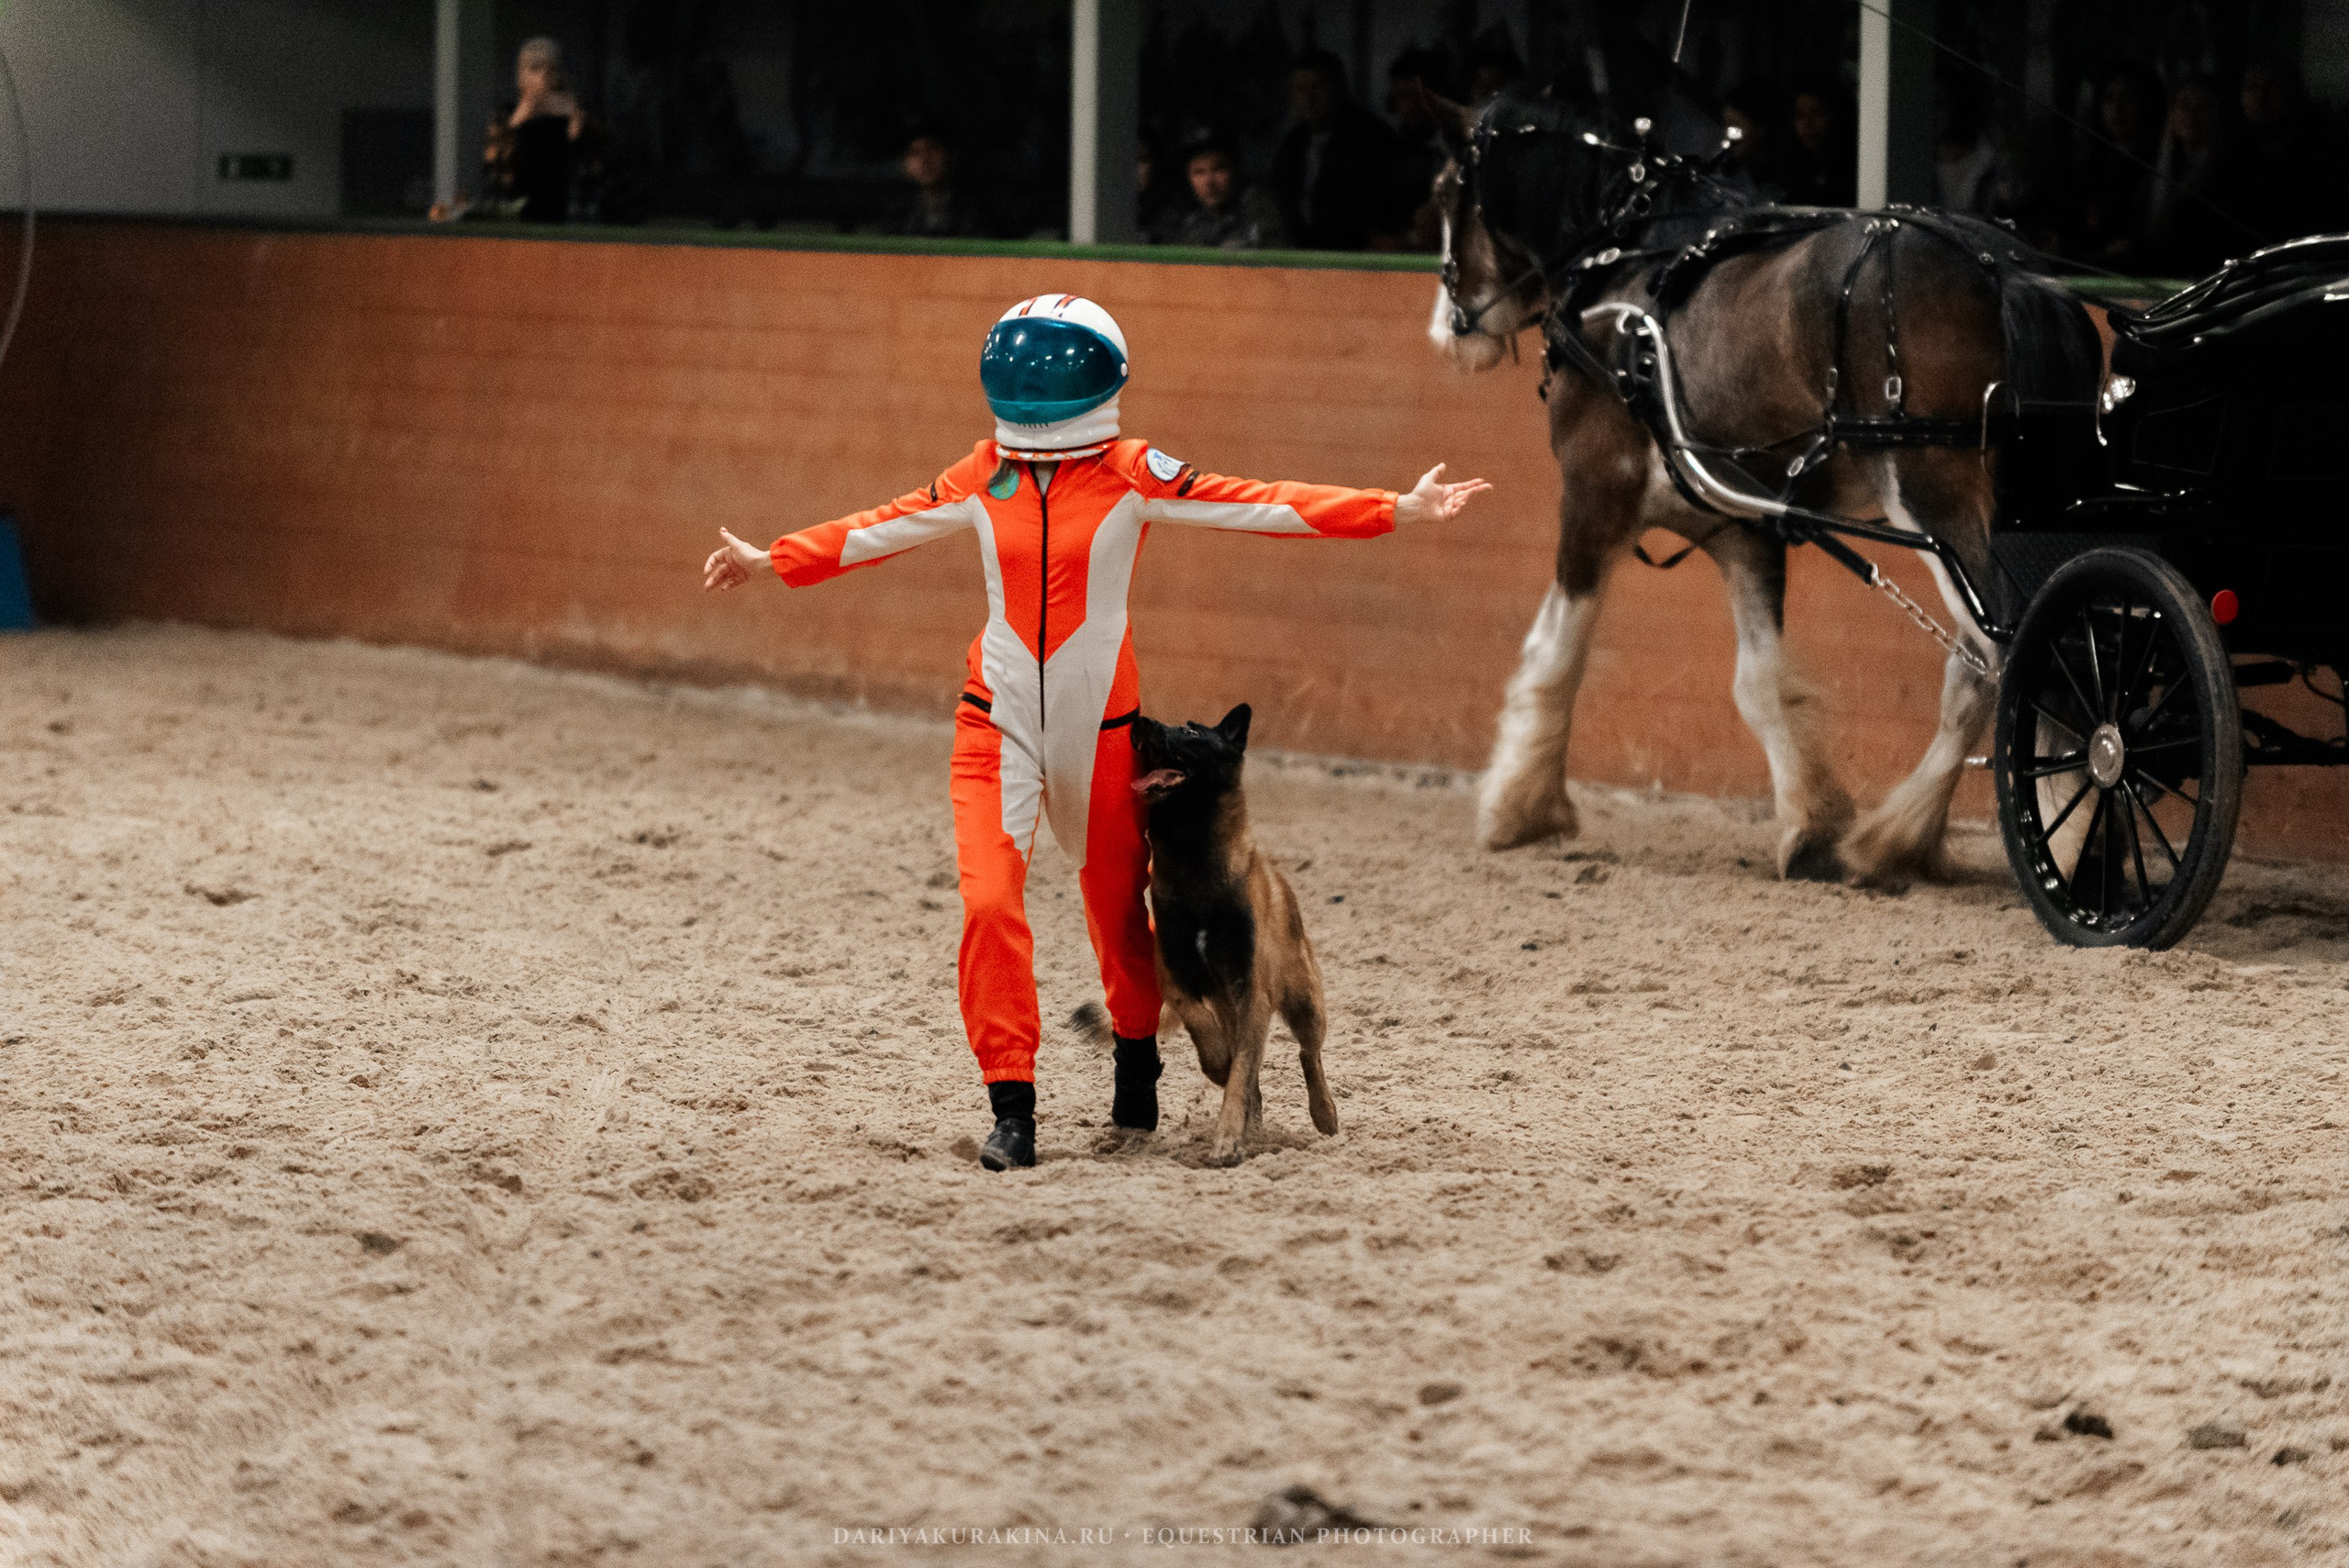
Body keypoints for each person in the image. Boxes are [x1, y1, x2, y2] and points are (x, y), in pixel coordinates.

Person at [699, 295, 1489, 1170]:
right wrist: (775, 558)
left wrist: (1395, 508)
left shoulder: (1134, 471)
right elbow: (881, 526)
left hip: (1106, 732)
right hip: (995, 722)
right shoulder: (979, 473)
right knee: (988, 905)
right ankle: (1012, 1106)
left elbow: (1259, 501)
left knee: (1119, 913)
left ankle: (1136, 1062)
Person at [1272, 50, 1401, 250]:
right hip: (1303, 255)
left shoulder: (1371, 138)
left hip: (1355, 255)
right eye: (1300, 90)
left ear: (1338, 87)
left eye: (1318, 87)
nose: (1309, 98)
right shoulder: (1292, 144)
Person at [484, 37, 593, 224]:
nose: (544, 76)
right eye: (535, 68)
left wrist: (576, 133)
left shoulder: (575, 112)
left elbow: (588, 168)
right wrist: (516, 123)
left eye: (552, 69)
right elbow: (494, 168)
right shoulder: (506, 115)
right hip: (516, 210)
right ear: (521, 74)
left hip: (563, 210)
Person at [2071, 62, 2165, 264]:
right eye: (2109, 99)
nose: (2117, 108)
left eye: (2128, 98)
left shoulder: (2158, 164)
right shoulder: (2093, 164)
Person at [1170, 134, 1286, 249]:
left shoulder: (1259, 206)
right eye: (1199, 172)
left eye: (1218, 169)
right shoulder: (1183, 217)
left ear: (1235, 171)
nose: (1209, 182)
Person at [891, 122, 987, 239]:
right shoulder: (894, 214)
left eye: (932, 149)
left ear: (950, 156)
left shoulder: (976, 211)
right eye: (915, 153)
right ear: (904, 165)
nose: (925, 160)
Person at [1782, 81, 1855, 206]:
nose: (1808, 124)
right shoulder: (1790, 165)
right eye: (1800, 115)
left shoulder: (1853, 167)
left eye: (1817, 113)